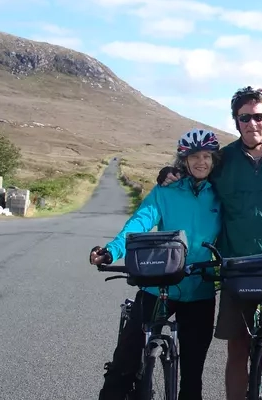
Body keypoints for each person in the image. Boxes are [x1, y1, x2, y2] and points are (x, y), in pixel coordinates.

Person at [156, 86, 262, 400]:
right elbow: (197, 175)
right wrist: (172, 173)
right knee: (238, 349)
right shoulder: (225, 160)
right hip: (237, 267)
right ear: (236, 122)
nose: (252, 123)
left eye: (258, 116)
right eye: (244, 117)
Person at [89, 129, 222, 400]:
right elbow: (140, 221)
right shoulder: (166, 190)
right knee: (126, 358)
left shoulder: (220, 194)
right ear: (183, 160)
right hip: (158, 284)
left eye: (207, 156)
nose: (201, 162)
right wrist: (112, 251)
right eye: (194, 156)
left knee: (193, 374)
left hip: (199, 288)